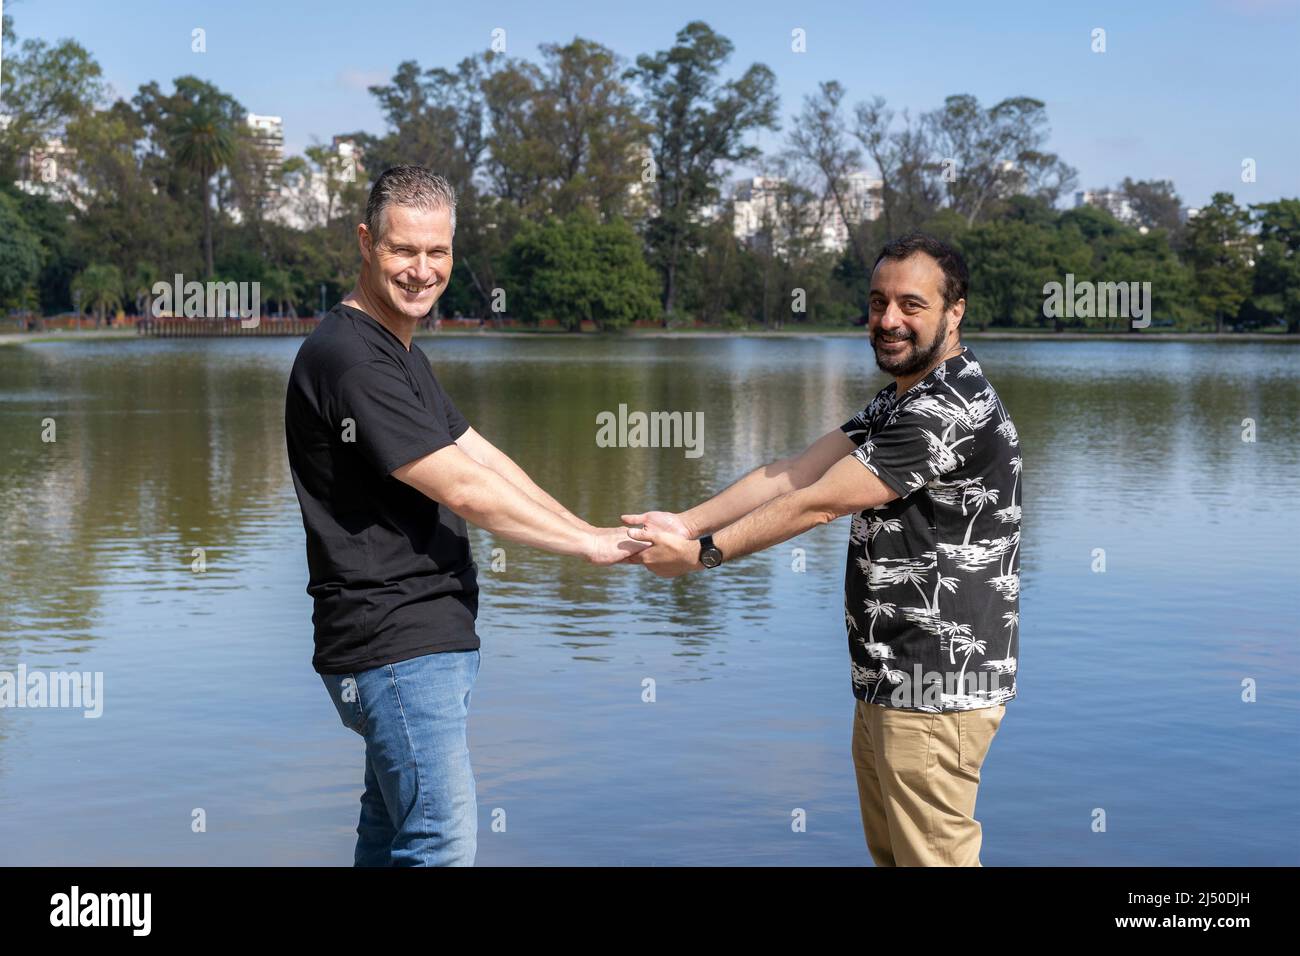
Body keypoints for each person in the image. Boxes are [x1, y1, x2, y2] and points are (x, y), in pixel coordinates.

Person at [284, 165, 643, 866]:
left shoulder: (396, 350)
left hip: (410, 646)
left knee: (390, 838)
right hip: (394, 645)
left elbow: (482, 458)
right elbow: (465, 491)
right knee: (440, 846)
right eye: (403, 251)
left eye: (438, 252)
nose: (422, 271)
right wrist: (588, 548)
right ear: (366, 242)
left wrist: (594, 529)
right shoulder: (352, 359)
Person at [625, 233, 1021, 866]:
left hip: (934, 686)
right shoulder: (903, 398)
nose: (888, 320)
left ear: (956, 312)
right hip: (889, 679)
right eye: (877, 302)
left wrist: (701, 556)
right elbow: (794, 473)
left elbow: (822, 502)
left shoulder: (947, 408)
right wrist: (681, 523)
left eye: (911, 305)